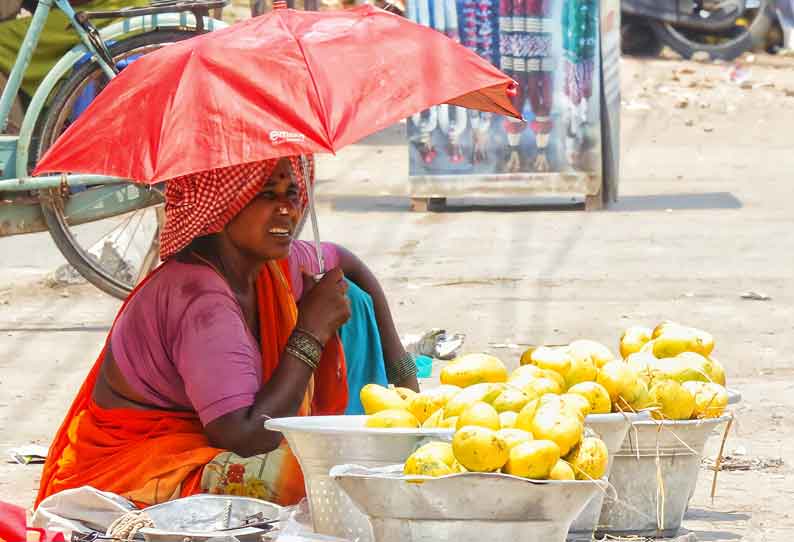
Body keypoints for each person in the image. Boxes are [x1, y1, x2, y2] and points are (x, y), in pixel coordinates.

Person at [35, 155, 417, 507]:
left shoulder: (268, 265)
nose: (287, 209)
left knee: (348, 298)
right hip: (141, 458)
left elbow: (348, 265)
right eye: (266, 194)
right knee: (315, 476)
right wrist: (309, 333)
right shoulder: (200, 299)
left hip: (212, 433)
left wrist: (402, 372)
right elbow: (248, 438)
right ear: (224, 204)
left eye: (292, 192)